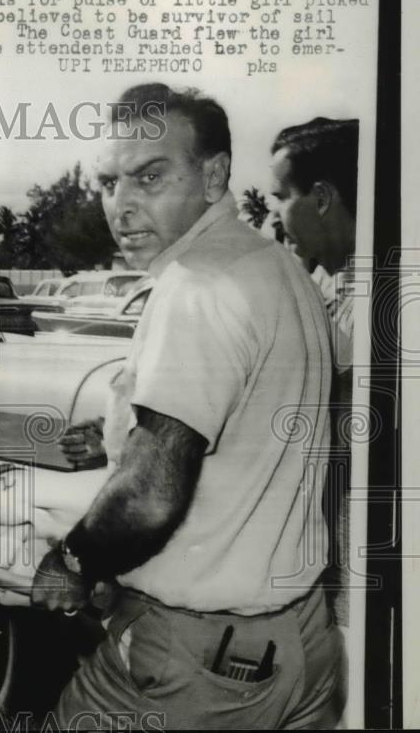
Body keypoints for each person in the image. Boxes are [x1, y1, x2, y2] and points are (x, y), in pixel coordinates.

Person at [32, 83, 344, 729]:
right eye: (108, 183)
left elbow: (149, 495)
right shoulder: (281, 269)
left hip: (204, 665)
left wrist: (71, 562)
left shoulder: (195, 285)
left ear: (213, 176)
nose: (121, 205)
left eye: (150, 177)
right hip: (305, 645)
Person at [270, 118, 359, 628]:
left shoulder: (375, 295)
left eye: (282, 197)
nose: (279, 216)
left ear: (321, 197)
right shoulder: (338, 284)